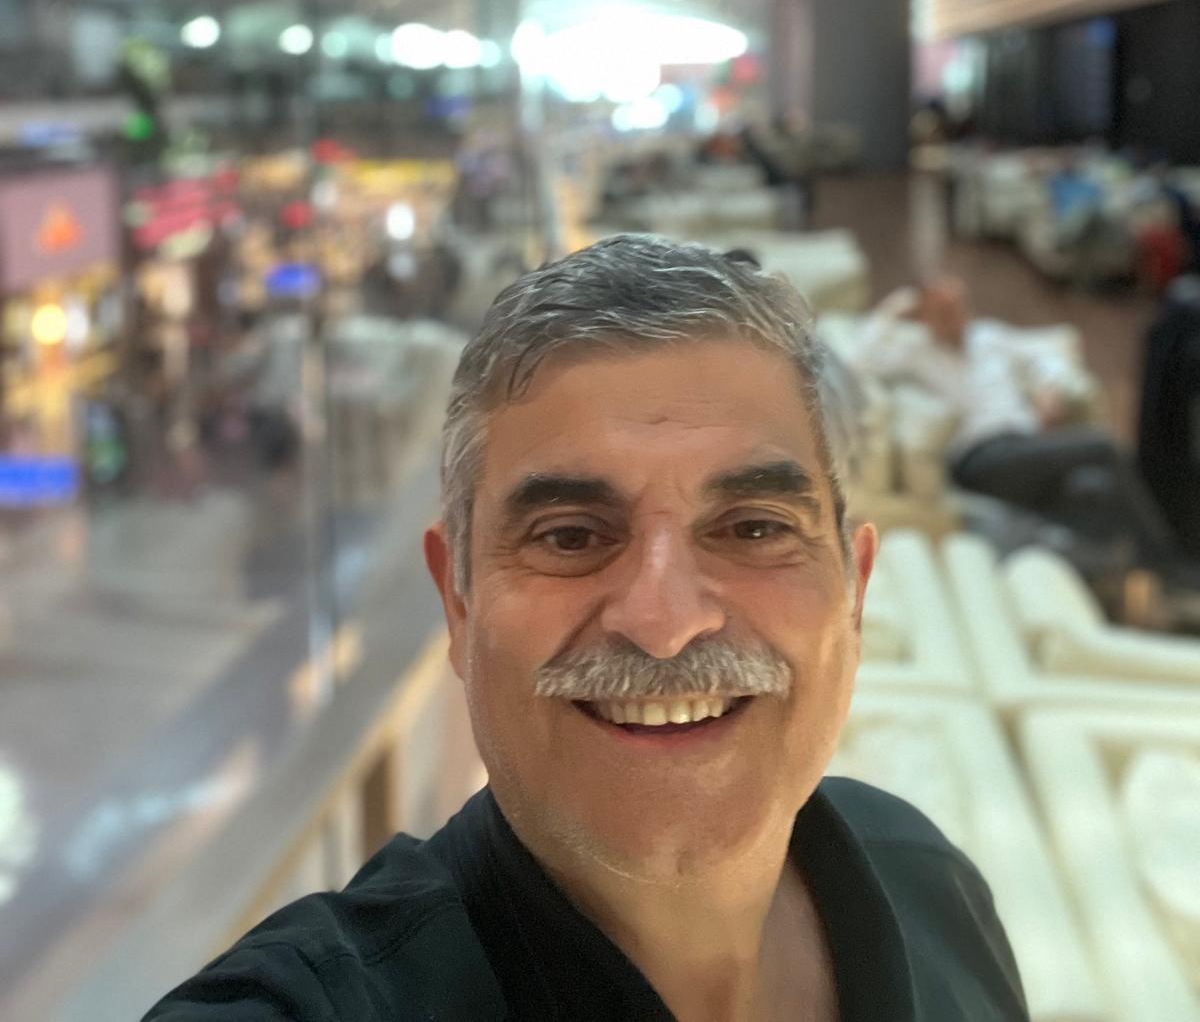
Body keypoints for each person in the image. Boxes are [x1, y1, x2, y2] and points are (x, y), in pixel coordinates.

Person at [144, 236, 1029, 1022]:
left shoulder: (931, 887)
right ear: (458, 600)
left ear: (855, 591)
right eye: (570, 536)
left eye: (755, 527)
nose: (666, 623)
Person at [852, 275, 1173, 562]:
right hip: (980, 458)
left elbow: (1047, 357)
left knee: (1091, 487)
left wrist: (1049, 388)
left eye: (958, 305)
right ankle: (1169, 559)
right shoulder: (917, 352)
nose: (955, 316)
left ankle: (1106, 578)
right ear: (925, 317)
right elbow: (861, 361)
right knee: (1104, 446)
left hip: (1025, 447)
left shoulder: (989, 336)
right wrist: (895, 307)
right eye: (943, 311)